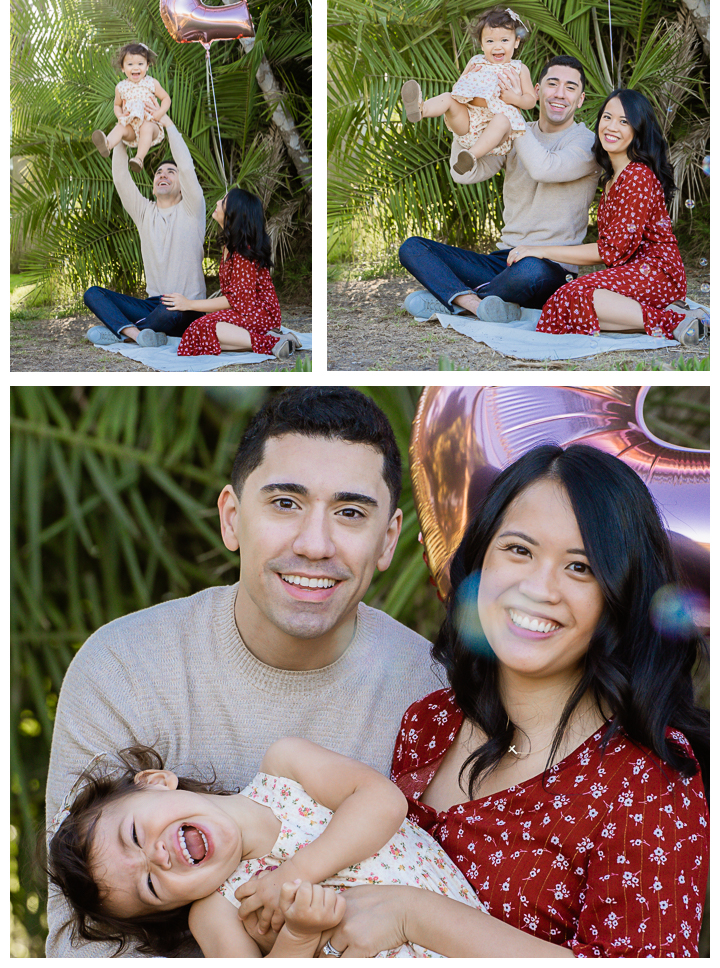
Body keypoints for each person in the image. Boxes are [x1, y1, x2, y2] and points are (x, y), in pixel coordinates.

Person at [45, 387, 443, 957]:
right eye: (285, 503)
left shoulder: (432, 692)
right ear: (232, 518)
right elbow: (83, 941)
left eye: (350, 513)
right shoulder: (123, 666)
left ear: (388, 540)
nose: (314, 544)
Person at [320, 444, 709, 957]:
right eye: (519, 550)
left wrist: (415, 915)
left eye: (580, 567)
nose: (538, 588)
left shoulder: (648, 786)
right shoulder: (431, 720)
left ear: (620, 595)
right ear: (480, 560)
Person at [47, 738, 480, 957]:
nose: (157, 858)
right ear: (168, 908)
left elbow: (384, 802)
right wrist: (298, 935)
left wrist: (294, 874)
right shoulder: (217, 912)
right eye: (150, 886)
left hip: (470, 936)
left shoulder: (285, 769)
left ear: (156, 783)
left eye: (136, 836)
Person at [399, 56, 600, 323]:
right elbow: (466, 173)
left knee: (530, 272)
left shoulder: (587, 142)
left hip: (549, 266)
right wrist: (465, 111)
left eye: (570, 87)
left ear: (581, 99)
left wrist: (510, 114)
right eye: (553, 84)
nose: (560, 94)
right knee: (413, 248)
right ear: (537, 92)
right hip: (503, 261)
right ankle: (472, 304)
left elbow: (545, 168)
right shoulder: (512, 129)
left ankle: (451, 299)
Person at [513, 89, 708, 347]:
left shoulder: (637, 175)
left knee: (572, 296)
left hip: (657, 272)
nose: (612, 127)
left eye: (624, 121)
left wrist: (539, 251)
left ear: (638, 129)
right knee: (565, 306)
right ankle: (673, 315)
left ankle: (672, 321)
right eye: (607, 117)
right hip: (631, 274)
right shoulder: (611, 179)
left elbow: (611, 251)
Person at [83, 114, 206, 349]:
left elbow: (187, 168)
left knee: (168, 313)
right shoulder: (144, 213)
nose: (163, 175)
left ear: (182, 185)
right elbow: (120, 178)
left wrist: (168, 123)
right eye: (159, 172)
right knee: (93, 294)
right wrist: (122, 133)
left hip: (187, 307)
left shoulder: (193, 210)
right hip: (153, 305)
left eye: (171, 172)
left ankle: (123, 333)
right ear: (153, 185)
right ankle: (137, 335)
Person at [401, 7, 536, 175]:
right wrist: (470, 80)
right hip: (468, 124)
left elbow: (531, 100)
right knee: (448, 97)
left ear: (516, 42)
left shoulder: (519, 69)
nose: (497, 47)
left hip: (496, 135)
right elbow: (458, 90)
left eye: (504, 40)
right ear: (481, 44)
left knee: (502, 120)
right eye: (490, 41)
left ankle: (470, 157)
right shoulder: (476, 62)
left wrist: (515, 99)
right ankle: (421, 109)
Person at [169, 188, 297, 360]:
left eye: (223, 202)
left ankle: (271, 343)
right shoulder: (230, 247)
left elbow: (238, 301)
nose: (216, 203)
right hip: (246, 310)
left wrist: (189, 304)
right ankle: (273, 339)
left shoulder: (244, 252)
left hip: (260, 312)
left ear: (234, 214)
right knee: (197, 335)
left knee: (200, 329)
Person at [91, 42, 171, 175]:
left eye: (140, 64)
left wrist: (160, 113)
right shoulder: (121, 87)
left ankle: (139, 159)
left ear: (147, 66)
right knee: (120, 127)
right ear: (122, 68)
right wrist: (120, 116)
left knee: (146, 127)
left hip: (151, 124)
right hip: (131, 127)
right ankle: (107, 144)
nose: (136, 67)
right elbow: (117, 105)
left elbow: (166, 98)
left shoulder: (151, 83)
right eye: (130, 64)